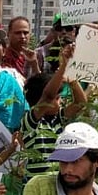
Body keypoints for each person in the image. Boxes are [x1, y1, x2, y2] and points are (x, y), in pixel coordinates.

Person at [21, 39, 86, 180]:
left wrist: (72, 79)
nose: (60, 101)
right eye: (58, 98)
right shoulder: (30, 122)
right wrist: (64, 65)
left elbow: (80, 103)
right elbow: (48, 96)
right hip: (36, 186)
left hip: (57, 183)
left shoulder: (57, 119)